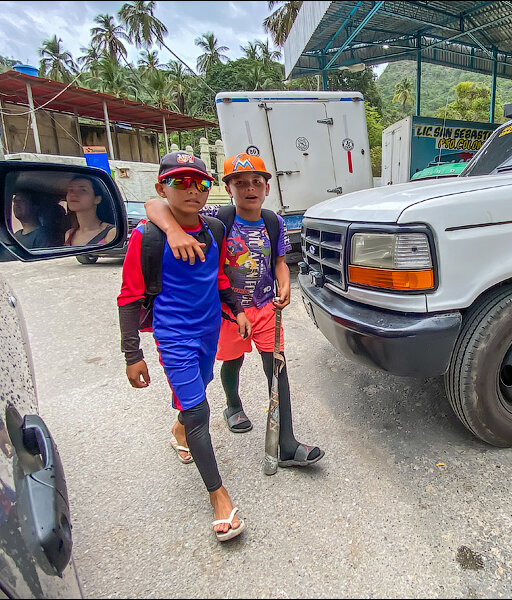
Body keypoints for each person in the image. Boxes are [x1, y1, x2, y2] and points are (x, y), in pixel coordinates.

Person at [144, 153, 324, 468]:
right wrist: (173, 231)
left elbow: (280, 263)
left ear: (267, 188)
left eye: (257, 182)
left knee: (277, 370)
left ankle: (286, 442)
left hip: (266, 307)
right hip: (226, 311)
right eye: (240, 183)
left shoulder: (274, 221)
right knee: (232, 361)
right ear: (229, 189)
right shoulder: (216, 218)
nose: (249, 189)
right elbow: (153, 205)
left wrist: (285, 285)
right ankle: (232, 404)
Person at [118, 152, 252, 542]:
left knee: (201, 386)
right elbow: (129, 297)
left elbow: (221, 275)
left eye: (200, 183)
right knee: (199, 410)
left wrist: (237, 310)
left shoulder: (213, 229)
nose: (192, 190)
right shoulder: (149, 236)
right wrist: (132, 355)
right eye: (180, 182)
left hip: (210, 331)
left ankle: (178, 431)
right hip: (173, 336)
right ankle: (219, 497)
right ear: (162, 187)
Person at [64, 176, 116, 246]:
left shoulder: (111, 232)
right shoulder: (69, 234)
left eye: (83, 190)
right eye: (70, 190)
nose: (73, 194)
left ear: (97, 199)